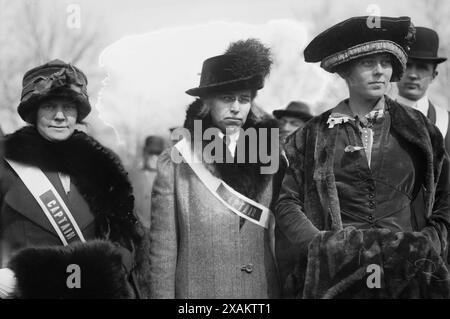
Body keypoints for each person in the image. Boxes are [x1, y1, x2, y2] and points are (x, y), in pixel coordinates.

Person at [275, 17, 450, 298]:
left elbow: (446, 197)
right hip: (336, 281)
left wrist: (428, 243)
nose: (379, 72)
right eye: (368, 64)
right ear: (345, 70)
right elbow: (287, 203)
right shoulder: (311, 135)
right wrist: (322, 248)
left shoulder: (421, 129)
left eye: (385, 62)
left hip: (411, 278)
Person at [0, 60, 149, 298]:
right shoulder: (6, 163)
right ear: (34, 112)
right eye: (50, 106)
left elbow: (128, 235)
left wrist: (111, 270)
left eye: (68, 107)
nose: (60, 116)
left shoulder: (104, 167)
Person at [148, 39, 281, 298]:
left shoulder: (273, 155)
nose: (236, 107)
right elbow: (163, 249)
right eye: (226, 98)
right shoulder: (178, 160)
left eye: (244, 99)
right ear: (206, 102)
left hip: (261, 294)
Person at [396, 26, 450, 151]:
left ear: (433, 75)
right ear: (396, 70)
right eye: (407, 66)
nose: (413, 75)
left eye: (422, 67)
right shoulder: (377, 119)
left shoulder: (446, 122)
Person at [129, 135, 165, 228]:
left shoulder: (167, 178)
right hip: (138, 228)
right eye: (151, 152)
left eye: (157, 153)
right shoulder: (133, 175)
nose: (154, 157)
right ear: (145, 151)